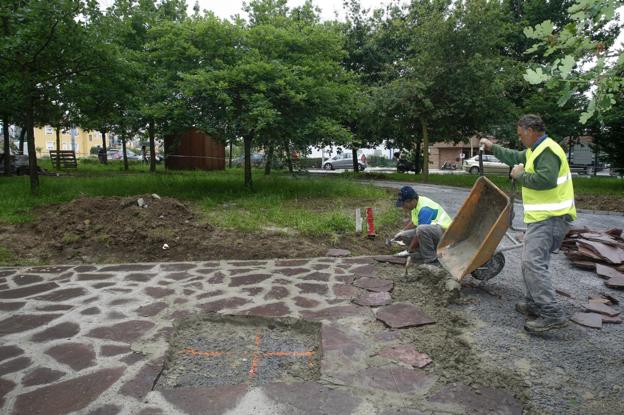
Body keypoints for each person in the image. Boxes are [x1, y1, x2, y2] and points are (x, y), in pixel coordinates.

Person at [480, 114, 576, 333]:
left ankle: (552, 313)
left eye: (521, 134)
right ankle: (534, 303)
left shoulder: (548, 150)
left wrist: (521, 176)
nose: (520, 138)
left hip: (552, 218)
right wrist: (492, 148)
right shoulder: (535, 150)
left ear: (531, 130)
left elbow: (546, 180)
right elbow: (515, 156)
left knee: (533, 263)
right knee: (529, 262)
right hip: (543, 219)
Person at [393, 186, 453, 265]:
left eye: (404, 204)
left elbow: (419, 233)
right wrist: (402, 232)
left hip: (447, 236)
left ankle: (432, 260)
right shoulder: (415, 205)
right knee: (405, 235)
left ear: (411, 200)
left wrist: (409, 250)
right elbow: (414, 222)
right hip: (436, 234)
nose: (403, 207)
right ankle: (421, 253)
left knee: (421, 230)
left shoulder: (425, 209)